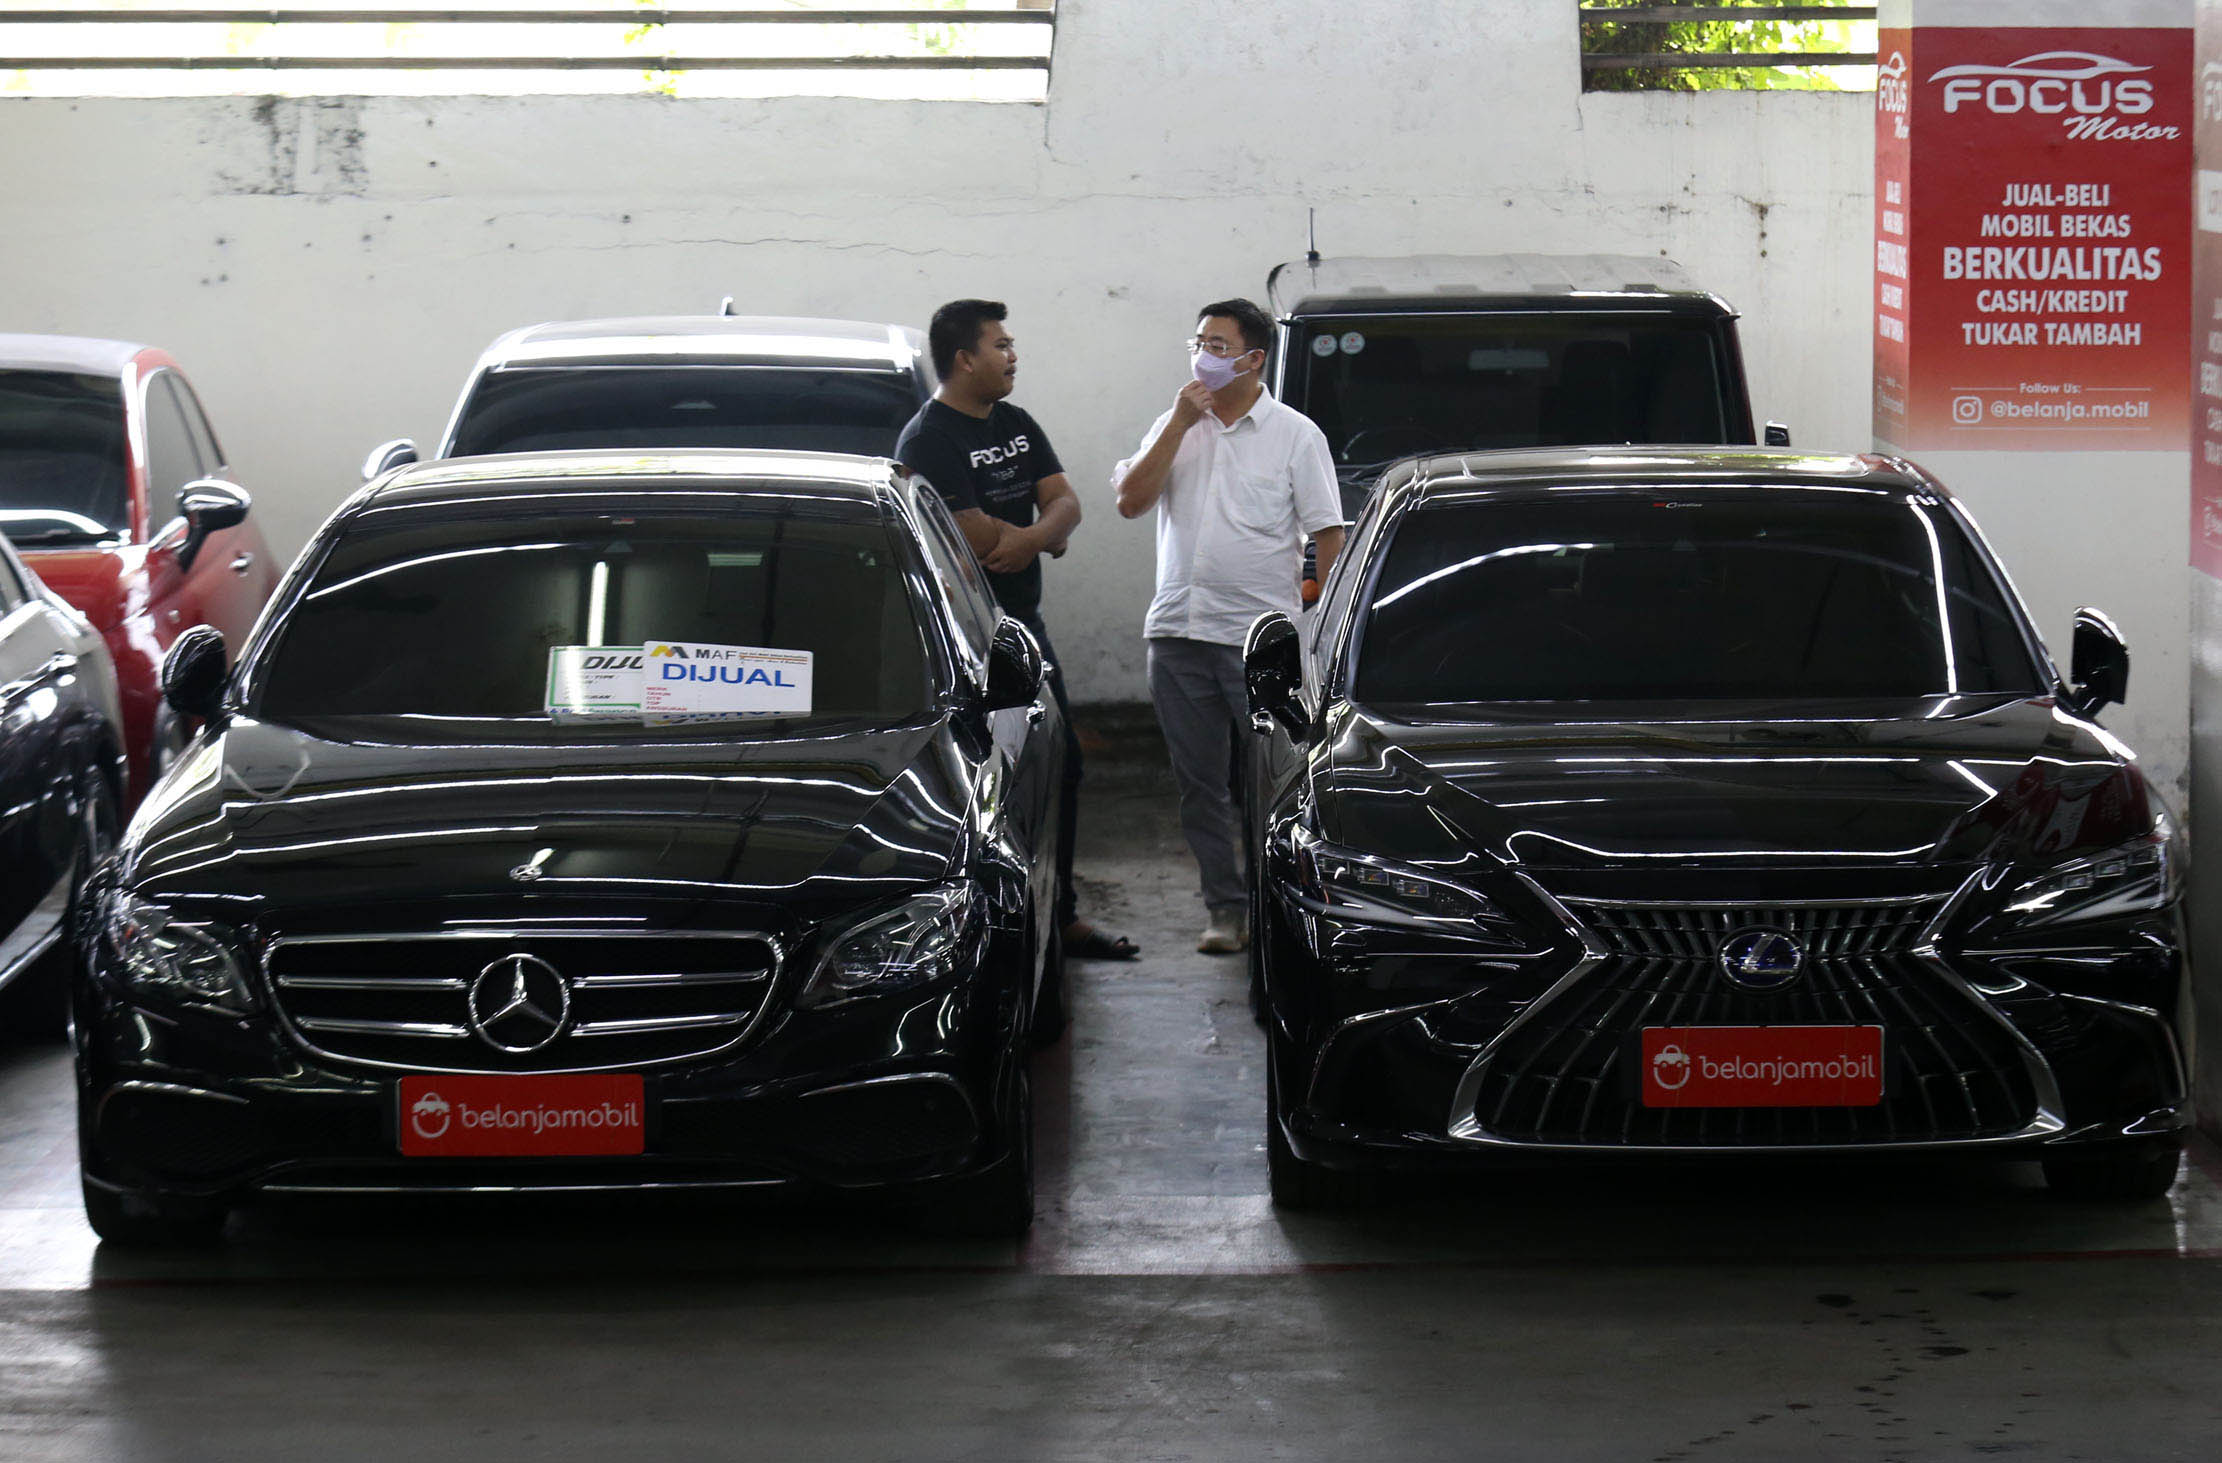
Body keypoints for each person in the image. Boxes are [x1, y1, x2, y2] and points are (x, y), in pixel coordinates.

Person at [896, 298, 1139, 962]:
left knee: (1063, 764)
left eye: (1012, 344)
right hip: (962, 644)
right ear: (964, 359)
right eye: (1000, 345)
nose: (1012, 355)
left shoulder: (1017, 422)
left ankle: (1059, 916)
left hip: (1021, 630)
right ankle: (987, 920)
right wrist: (1041, 531)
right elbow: (973, 536)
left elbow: (1067, 503)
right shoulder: (928, 439)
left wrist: (1029, 537)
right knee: (985, 783)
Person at [1112, 298, 1346, 954]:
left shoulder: (1295, 435)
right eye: (1200, 341)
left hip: (1257, 647)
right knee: (1200, 785)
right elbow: (1131, 501)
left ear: (1253, 359)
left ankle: (1282, 907)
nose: (1204, 355)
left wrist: (1319, 630)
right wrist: (1179, 425)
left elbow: (1328, 533)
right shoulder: (1175, 422)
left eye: (1218, 345)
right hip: (1177, 635)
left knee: (1271, 788)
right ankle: (1226, 908)